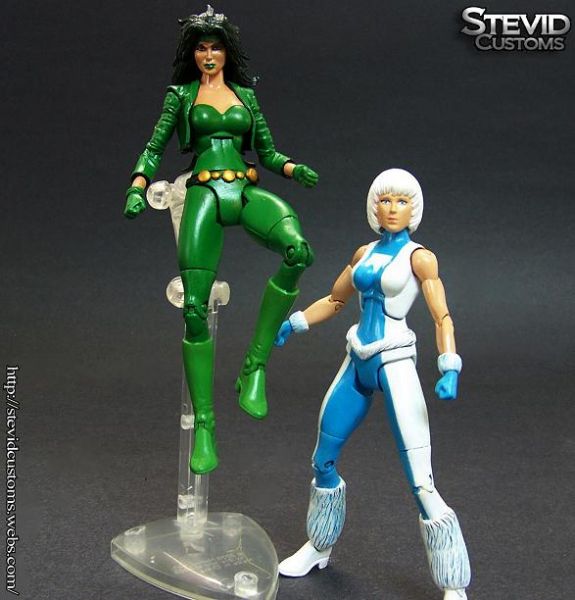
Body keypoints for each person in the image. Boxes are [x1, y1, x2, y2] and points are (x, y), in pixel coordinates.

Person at [123, 6, 318, 474]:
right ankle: (206, 426)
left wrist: (293, 168)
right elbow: (154, 146)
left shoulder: (245, 96)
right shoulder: (182, 95)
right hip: (204, 193)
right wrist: (136, 185)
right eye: (201, 48)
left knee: (298, 251)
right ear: (192, 54)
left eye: (215, 47)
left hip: (243, 189)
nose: (208, 55)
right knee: (194, 307)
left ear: (227, 52)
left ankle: (254, 365)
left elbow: (267, 152)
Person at [275, 169, 470, 600]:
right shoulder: (364, 252)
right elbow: (336, 299)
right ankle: (319, 544)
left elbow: (442, 316)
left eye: (402, 201)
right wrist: (296, 322)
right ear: (374, 207)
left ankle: (453, 582)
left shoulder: (421, 258)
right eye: (385, 201)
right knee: (322, 459)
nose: (392, 208)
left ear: (413, 208)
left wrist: (449, 365)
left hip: (394, 360)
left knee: (421, 481)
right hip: (358, 357)